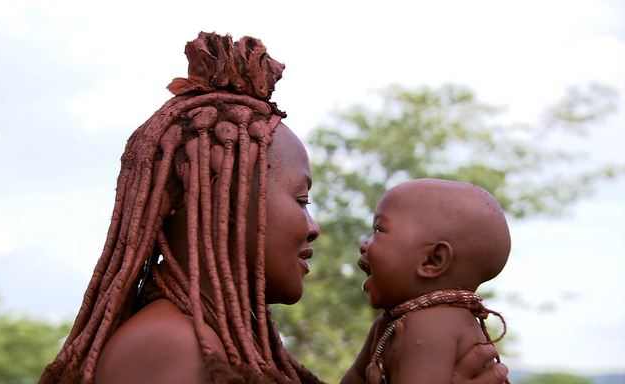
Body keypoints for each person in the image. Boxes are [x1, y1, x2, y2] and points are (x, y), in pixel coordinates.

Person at [40, 33, 509, 384]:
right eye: (301, 199)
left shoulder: (219, 343)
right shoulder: (171, 346)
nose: (314, 227)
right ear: (227, 198)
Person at [351, 178, 511, 384]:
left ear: (433, 260)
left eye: (378, 231)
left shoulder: (431, 324)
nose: (364, 245)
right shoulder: (389, 324)